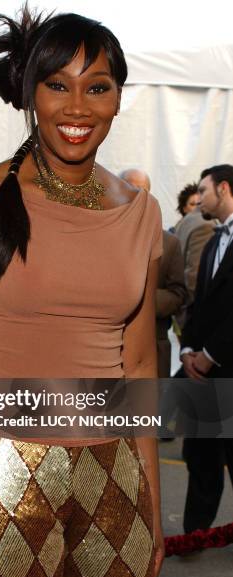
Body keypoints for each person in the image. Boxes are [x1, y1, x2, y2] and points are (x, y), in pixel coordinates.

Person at [0, 7, 164, 577]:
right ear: (30, 93)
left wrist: (150, 498)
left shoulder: (141, 212)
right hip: (0, 469)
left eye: (97, 87)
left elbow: (141, 363)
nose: (78, 108)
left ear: (117, 97)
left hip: (116, 467)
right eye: (58, 85)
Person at [180, 164, 233, 534]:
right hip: (201, 372)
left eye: (205, 190)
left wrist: (210, 355)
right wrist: (187, 349)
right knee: (198, 454)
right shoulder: (213, 238)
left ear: (225, 189)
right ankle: (195, 532)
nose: (198, 198)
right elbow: (201, 303)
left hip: (226, 367)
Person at [120, 169, 186, 377]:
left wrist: (139, 297)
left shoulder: (170, 243)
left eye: (143, 190)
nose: (137, 196)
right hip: (105, 350)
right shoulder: (99, 235)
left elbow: (179, 294)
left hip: (153, 350)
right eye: (129, 188)